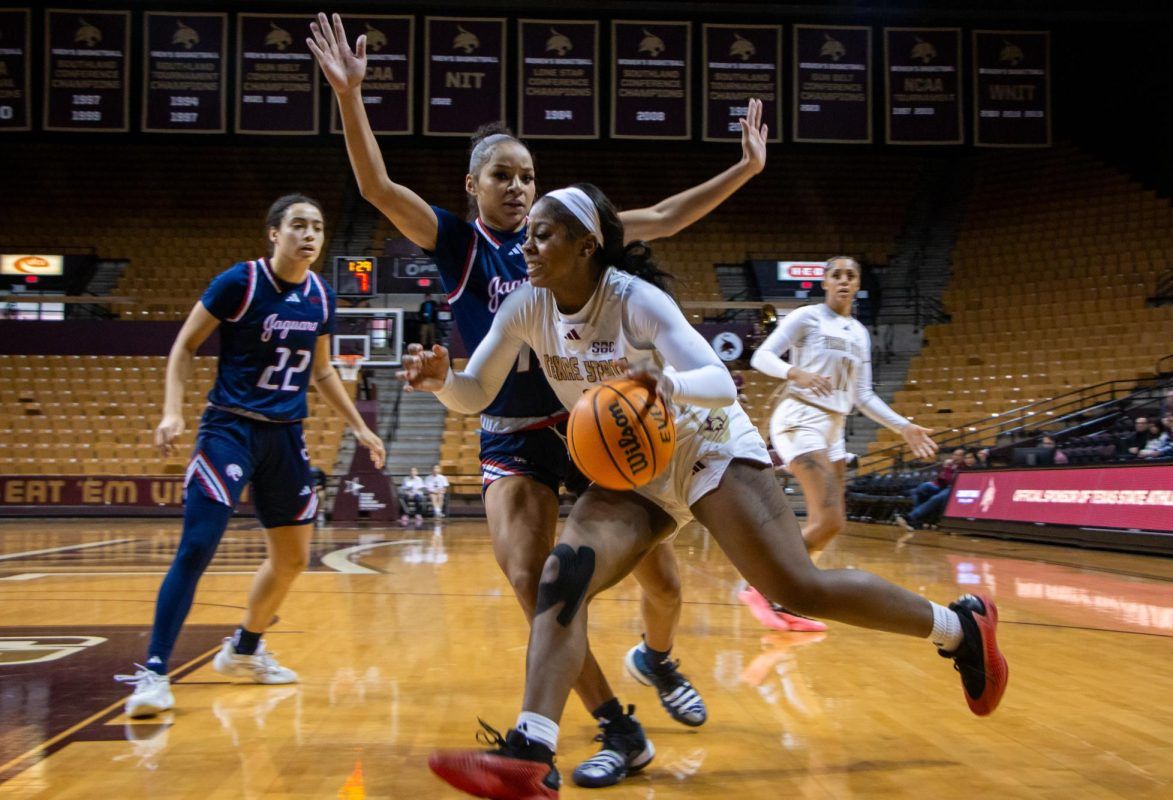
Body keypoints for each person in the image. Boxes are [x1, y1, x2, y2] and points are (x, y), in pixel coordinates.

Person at [406, 184, 1008, 799]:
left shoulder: (634, 300)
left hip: (706, 445)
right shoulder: (526, 306)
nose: (525, 245)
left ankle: (959, 628)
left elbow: (718, 380)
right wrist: (442, 383)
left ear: (587, 245)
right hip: (634, 470)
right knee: (564, 575)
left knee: (794, 587)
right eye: (526, 232)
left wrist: (668, 384)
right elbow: (477, 390)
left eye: (542, 234)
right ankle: (531, 754)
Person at [309, 12, 769, 784]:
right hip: (514, 425)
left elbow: (665, 217)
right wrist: (352, 97)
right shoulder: (458, 243)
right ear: (473, 187)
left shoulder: (570, 232)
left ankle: (659, 658)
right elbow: (376, 187)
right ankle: (615, 726)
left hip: (593, 414)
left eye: (526, 174)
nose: (519, 185)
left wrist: (745, 171)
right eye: (503, 175)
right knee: (534, 580)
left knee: (661, 577)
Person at [115, 194, 387, 719]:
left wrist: (360, 429)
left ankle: (243, 649)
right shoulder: (239, 283)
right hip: (230, 430)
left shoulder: (322, 296)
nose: (309, 234)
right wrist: (172, 413)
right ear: (273, 233)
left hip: (286, 436)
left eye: (318, 227)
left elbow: (323, 372)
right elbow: (184, 346)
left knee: (291, 559)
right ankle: (152, 672)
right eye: (298, 225)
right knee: (198, 546)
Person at [740, 257, 938, 631]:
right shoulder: (807, 316)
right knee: (828, 517)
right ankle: (765, 587)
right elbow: (761, 356)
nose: (844, 280)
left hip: (836, 426)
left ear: (858, 283)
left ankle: (773, 589)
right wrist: (794, 371)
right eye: (836, 275)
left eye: (851, 275)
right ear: (825, 282)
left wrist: (904, 427)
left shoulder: (859, 333)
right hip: (801, 416)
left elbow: (862, 395)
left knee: (831, 525)